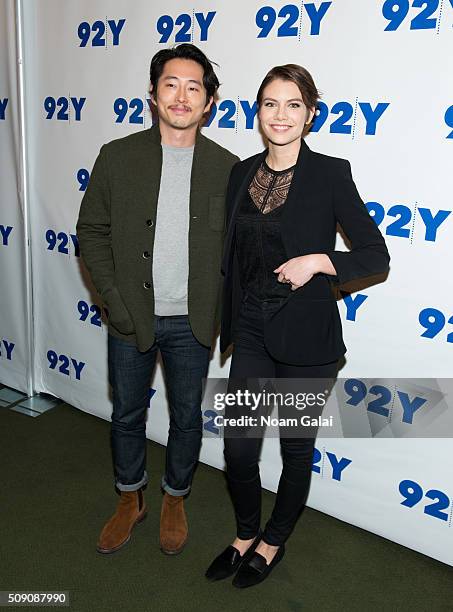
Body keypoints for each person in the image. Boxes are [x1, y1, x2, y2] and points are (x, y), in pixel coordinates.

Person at [205, 64, 390, 587]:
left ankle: (273, 540)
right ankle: (244, 533)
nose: (280, 115)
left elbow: (376, 253)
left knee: (294, 447)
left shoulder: (331, 172)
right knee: (239, 445)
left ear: (310, 114)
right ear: (257, 112)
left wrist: (319, 260)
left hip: (307, 340)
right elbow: (233, 257)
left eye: (292, 105)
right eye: (269, 103)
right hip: (253, 332)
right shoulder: (241, 173)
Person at [76, 43, 239, 556]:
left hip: (193, 324)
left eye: (195, 87)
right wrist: (116, 305)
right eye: (171, 83)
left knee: (187, 416)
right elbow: (92, 231)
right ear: (152, 93)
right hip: (131, 320)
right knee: (127, 413)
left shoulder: (228, 167)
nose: (182, 96)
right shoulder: (117, 156)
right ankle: (130, 498)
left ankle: (174, 497)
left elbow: (239, 249)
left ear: (209, 101)